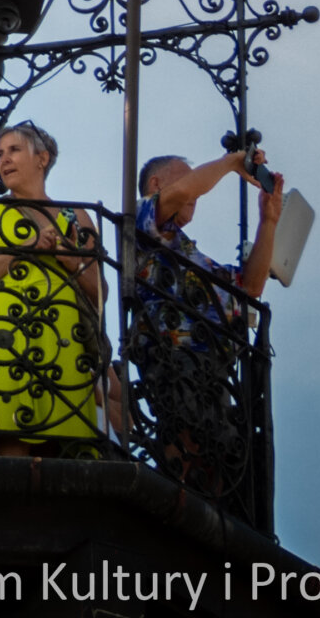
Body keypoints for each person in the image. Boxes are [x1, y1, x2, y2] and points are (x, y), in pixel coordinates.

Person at [127, 144, 285, 492]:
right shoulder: (140, 216)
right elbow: (184, 192)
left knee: (217, 457)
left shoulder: (193, 257)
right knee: (185, 439)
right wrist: (230, 163)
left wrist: (269, 221)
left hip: (212, 370)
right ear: (156, 185)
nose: (195, 194)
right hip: (171, 354)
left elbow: (250, 287)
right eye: (188, 180)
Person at [0, 122, 106, 452]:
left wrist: (72, 262)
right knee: (12, 445)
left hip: (65, 339)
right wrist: (25, 248)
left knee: (68, 451)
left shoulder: (77, 216)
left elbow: (101, 294)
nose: (4, 160)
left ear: (42, 158)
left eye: (14, 150)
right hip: (6, 336)